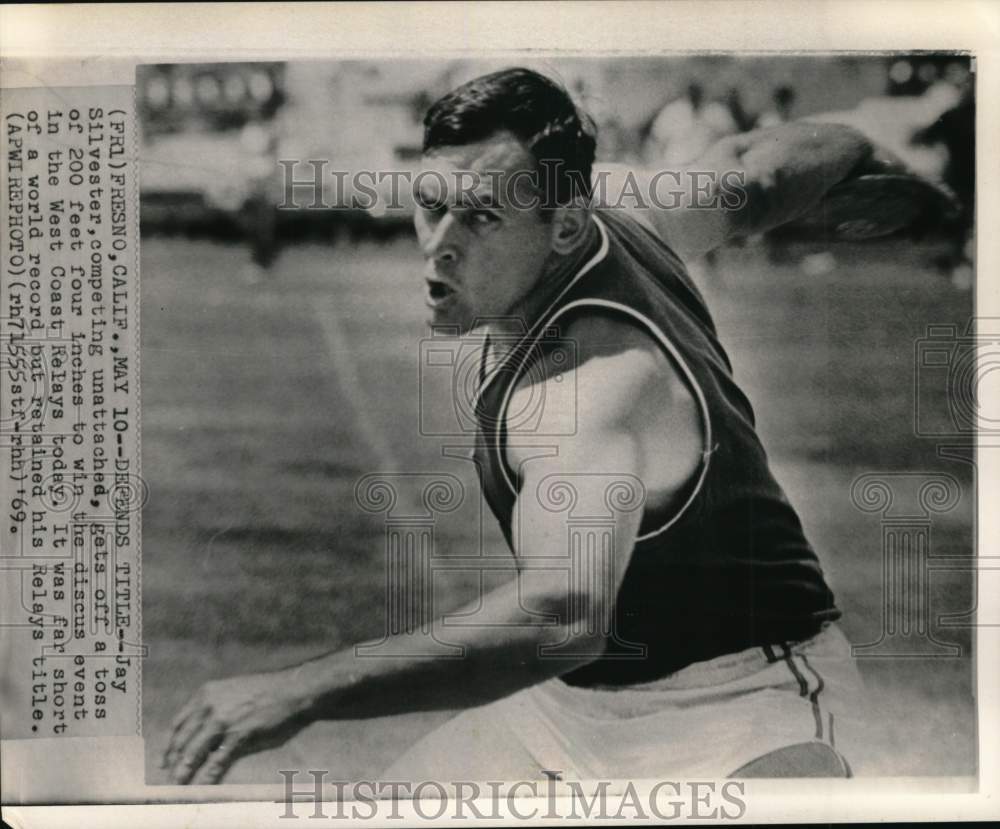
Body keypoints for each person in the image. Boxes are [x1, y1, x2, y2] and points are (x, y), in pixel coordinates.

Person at [163, 67, 885, 785]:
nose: (439, 245)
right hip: (567, 712)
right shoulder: (628, 207)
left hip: (740, 709)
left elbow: (563, 617)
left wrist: (299, 689)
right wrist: (869, 148)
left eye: (480, 218)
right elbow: (752, 175)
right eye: (430, 204)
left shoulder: (587, 389)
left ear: (564, 225)